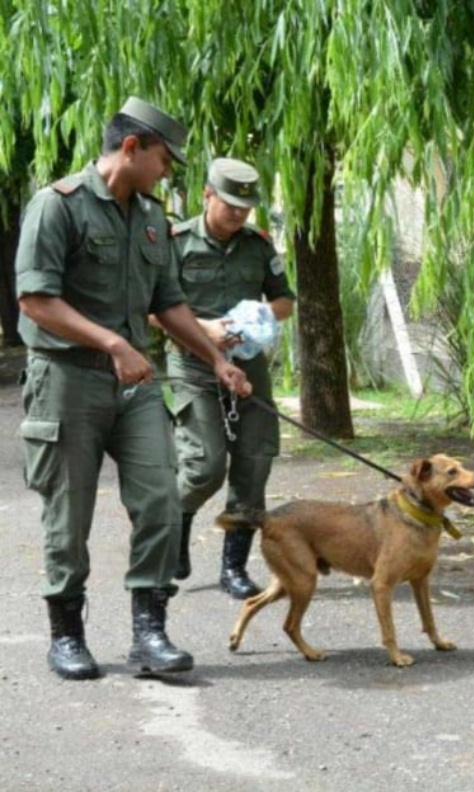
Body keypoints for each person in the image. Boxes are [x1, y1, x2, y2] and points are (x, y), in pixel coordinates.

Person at [15, 97, 252, 681]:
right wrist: (113, 344)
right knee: (69, 514)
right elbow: (36, 301)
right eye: (164, 159)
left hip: (135, 385)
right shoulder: (57, 207)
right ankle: (67, 635)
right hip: (66, 379)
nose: (169, 171)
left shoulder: (149, 216)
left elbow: (167, 302)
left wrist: (215, 358)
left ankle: (150, 633)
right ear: (130, 148)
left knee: (160, 501)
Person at [164, 157, 295, 599]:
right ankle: (173, 538)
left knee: (254, 462)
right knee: (204, 466)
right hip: (192, 365)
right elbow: (150, 307)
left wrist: (252, 319)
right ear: (207, 195)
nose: (238, 214)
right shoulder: (175, 242)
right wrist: (208, 330)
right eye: (230, 204)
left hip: (246, 365)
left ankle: (233, 568)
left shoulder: (258, 245)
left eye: (245, 207)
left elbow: (283, 302)